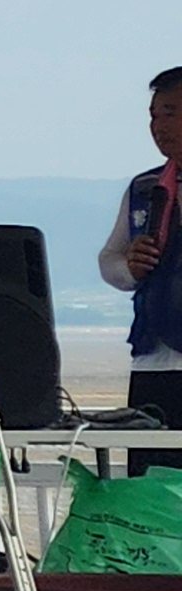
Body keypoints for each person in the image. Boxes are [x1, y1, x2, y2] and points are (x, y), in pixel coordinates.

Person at [97, 66, 182, 426]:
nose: (158, 126)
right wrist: (128, 269)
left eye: (171, 113)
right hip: (153, 359)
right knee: (150, 469)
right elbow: (109, 258)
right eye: (154, 115)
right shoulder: (146, 188)